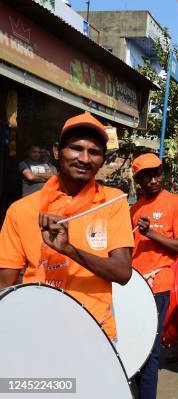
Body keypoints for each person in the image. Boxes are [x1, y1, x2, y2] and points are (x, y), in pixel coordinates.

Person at [0, 112, 133, 340]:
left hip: (94, 334)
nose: (84, 158)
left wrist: (69, 249)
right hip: (35, 332)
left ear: (102, 160)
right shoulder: (21, 210)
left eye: (94, 152)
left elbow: (122, 272)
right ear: (56, 151)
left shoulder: (114, 201)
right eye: (76, 148)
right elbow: (5, 284)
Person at [130, 153, 178, 399]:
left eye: (156, 174)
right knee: (133, 348)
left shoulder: (176, 203)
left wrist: (151, 233)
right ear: (138, 181)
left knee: (150, 350)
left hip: (157, 286)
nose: (153, 180)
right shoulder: (132, 208)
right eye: (146, 176)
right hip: (132, 286)